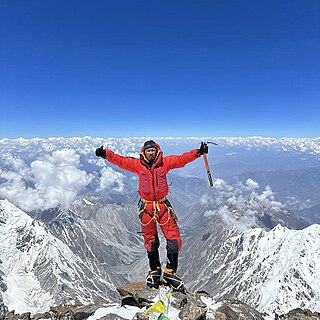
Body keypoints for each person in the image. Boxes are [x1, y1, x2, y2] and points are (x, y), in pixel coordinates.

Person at [95, 140, 208, 290]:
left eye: (153, 151)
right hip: (147, 207)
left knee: (174, 240)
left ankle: (170, 272)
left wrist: (198, 152)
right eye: (148, 151)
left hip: (162, 205)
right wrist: (105, 154)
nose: (151, 153)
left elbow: (182, 159)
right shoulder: (137, 165)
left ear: (157, 151)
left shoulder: (165, 163)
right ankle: (155, 270)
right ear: (144, 152)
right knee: (151, 241)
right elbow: (120, 161)